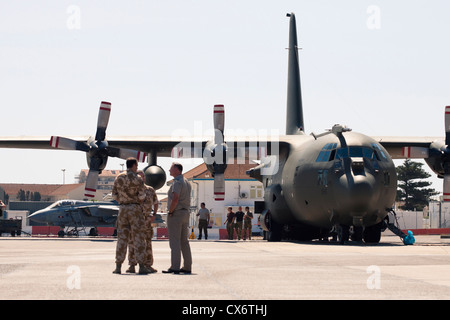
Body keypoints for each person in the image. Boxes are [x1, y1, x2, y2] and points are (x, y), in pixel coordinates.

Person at [111, 157, 150, 275]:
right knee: (138, 237)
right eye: (136, 165)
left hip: (122, 209)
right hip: (135, 209)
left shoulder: (119, 177)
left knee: (122, 238)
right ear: (133, 165)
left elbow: (114, 195)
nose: (137, 167)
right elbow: (142, 196)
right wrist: (136, 202)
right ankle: (142, 266)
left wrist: (122, 201)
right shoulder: (137, 178)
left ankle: (118, 266)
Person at [163, 162, 193, 275]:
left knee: (175, 242)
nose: (169, 170)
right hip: (185, 213)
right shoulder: (186, 182)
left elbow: (175, 198)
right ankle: (187, 266)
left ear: (177, 170)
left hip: (176, 214)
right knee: (184, 242)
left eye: (171, 168)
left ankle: (175, 266)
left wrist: (170, 212)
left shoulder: (177, 182)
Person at [126, 170, 159, 274]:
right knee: (132, 242)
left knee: (147, 242)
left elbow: (156, 202)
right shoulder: (131, 190)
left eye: (143, 176)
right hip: (135, 219)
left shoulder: (150, 190)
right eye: (140, 176)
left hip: (146, 219)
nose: (142, 178)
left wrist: (154, 214)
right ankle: (132, 265)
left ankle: (148, 265)